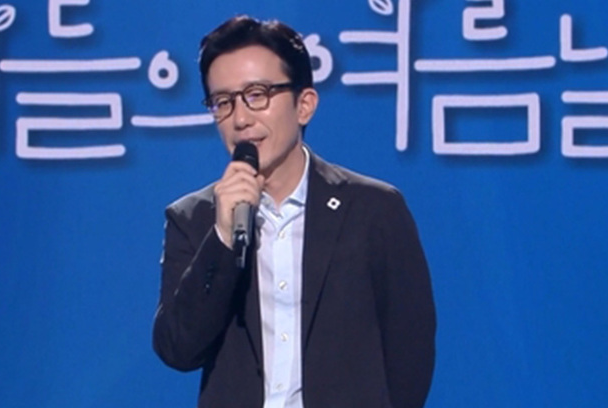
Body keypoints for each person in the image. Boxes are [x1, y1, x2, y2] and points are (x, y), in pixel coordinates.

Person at [153, 15, 436, 408]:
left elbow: (411, 351)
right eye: (223, 102)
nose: (240, 119)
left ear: (304, 105)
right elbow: (178, 348)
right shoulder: (193, 219)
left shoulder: (374, 210)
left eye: (257, 94)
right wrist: (221, 239)